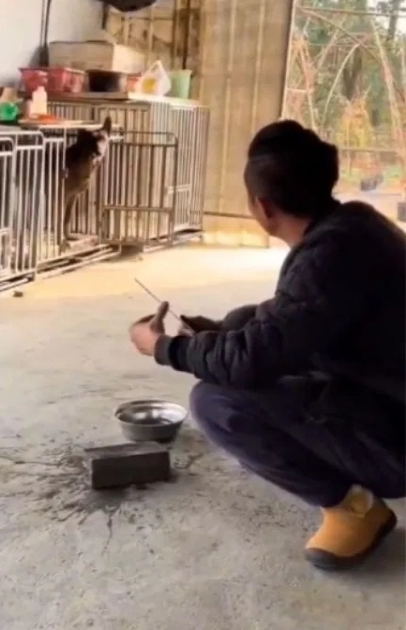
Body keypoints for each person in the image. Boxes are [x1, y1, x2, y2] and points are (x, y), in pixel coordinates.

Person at [128, 120, 405, 571]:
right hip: (383, 392)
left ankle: (354, 509)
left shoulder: (326, 258)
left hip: (395, 436)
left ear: (261, 207)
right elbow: (287, 317)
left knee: (217, 401)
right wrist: (218, 331)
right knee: (239, 324)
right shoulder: (354, 225)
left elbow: (250, 361)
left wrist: (162, 347)